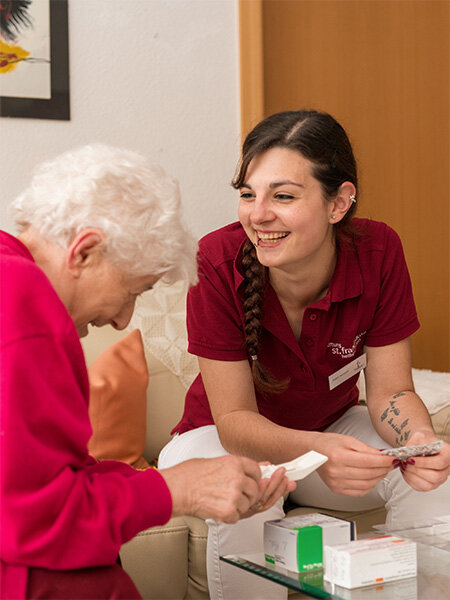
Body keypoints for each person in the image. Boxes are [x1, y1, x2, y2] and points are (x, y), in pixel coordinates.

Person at [158, 109, 450, 600]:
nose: (259, 214)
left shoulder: (379, 251)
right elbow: (232, 422)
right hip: (216, 440)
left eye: (284, 196)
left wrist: (418, 442)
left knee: (429, 478)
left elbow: (391, 392)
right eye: (249, 195)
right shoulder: (216, 259)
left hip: (326, 432)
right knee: (248, 488)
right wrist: (317, 450)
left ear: (339, 203)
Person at [0, 144, 295, 600]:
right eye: (134, 290)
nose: (122, 320)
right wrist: (175, 491)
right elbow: (37, 522)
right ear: (84, 252)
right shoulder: (23, 307)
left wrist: (173, 483)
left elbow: (49, 480)